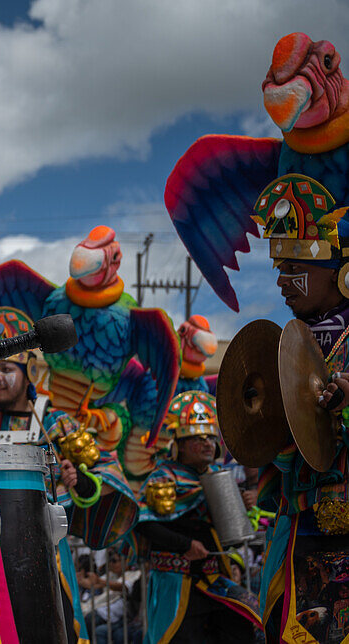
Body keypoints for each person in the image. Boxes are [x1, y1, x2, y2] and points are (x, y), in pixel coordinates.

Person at [0, 306, 139, 644]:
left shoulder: (55, 421)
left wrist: (78, 479)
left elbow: (106, 471)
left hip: (45, 552)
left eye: (7, 367)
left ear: (30, 372)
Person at [246, 175, 349, 643]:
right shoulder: (286, 348)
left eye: (293, 269)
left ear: (340, 272)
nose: (282, 282)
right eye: (279, 270)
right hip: (295, 534)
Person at [136, 391, 259, 643]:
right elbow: (144, 523)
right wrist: (184, 545)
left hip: (214, 577)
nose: (207, 444)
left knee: (242, 626)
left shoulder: (219, 476)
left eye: (211, 439)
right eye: (198, 438)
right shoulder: (163, 477)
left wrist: (244, 505)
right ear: (178, 445)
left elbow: (233, 535)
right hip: (177, 581)